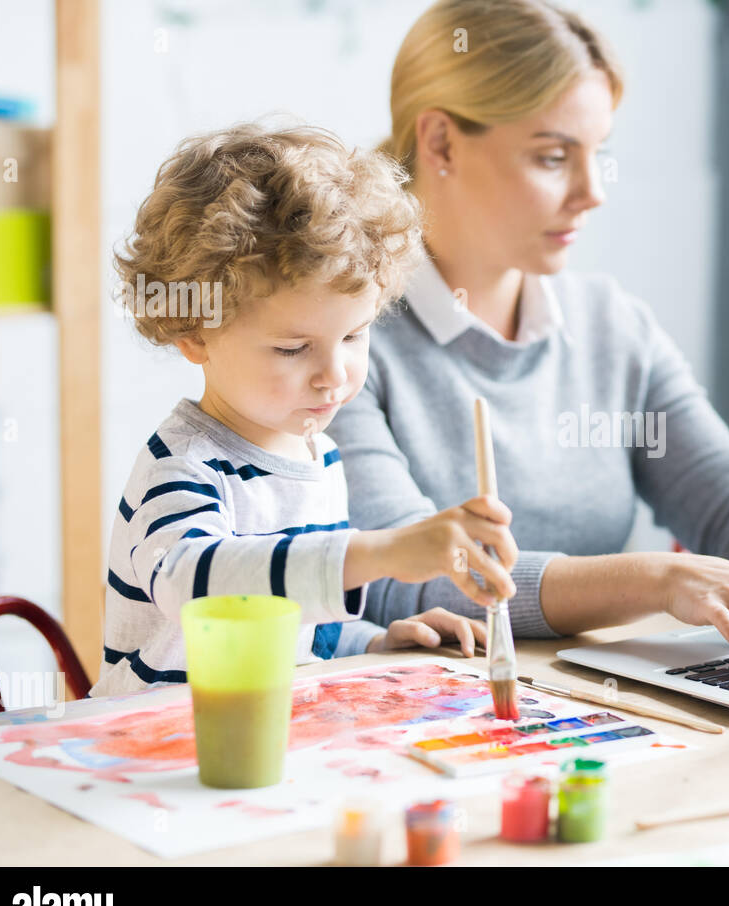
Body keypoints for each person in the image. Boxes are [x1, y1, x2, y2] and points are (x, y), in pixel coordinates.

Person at [329, 0, 729, 649]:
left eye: (597, 154)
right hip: (434, 719)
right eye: (554, 157)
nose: (594, 191)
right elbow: (397, 577)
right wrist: (654, 580)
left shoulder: (610, 325)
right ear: (441, 141)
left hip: (588, 705)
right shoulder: (340, 341)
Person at [93, 123, 517, 697]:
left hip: (258, 738)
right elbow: (197, 586)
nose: (334, 374)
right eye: (293, 349)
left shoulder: (318, 455)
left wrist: (374, 642)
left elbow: (297, 626)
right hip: (147, 744)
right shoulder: (181, 466)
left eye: (354, 336)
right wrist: (381, 551)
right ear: (194, 333)